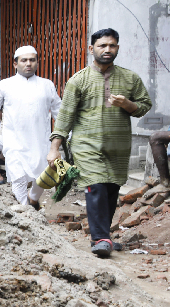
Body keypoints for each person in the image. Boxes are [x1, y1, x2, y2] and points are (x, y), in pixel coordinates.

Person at [48, 28, 152, 257]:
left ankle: (104, 234)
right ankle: (100, 238)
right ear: (91, 49)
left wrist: (127, 104)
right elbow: (65, 116)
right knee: (95, 186)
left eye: (112, 45)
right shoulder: (79, 80)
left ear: (117, 48)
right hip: (86, 145)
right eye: (102, 45)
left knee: (111, 190)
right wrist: (54, 148)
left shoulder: (130, 78)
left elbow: (144, 105)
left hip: (118, 146)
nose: (107, 49)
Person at [0, 45, 61, 208]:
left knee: (42, 176)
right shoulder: (5, 85)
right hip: (14, 141)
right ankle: (25, 210)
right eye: (24, 60)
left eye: (32, 60)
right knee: (18, 176)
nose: (28, 63)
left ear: (37, 62)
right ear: (15, 64)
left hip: (40, 141)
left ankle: (33, 198)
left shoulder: (46, 84)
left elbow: (59, 112)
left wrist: (68, 136)